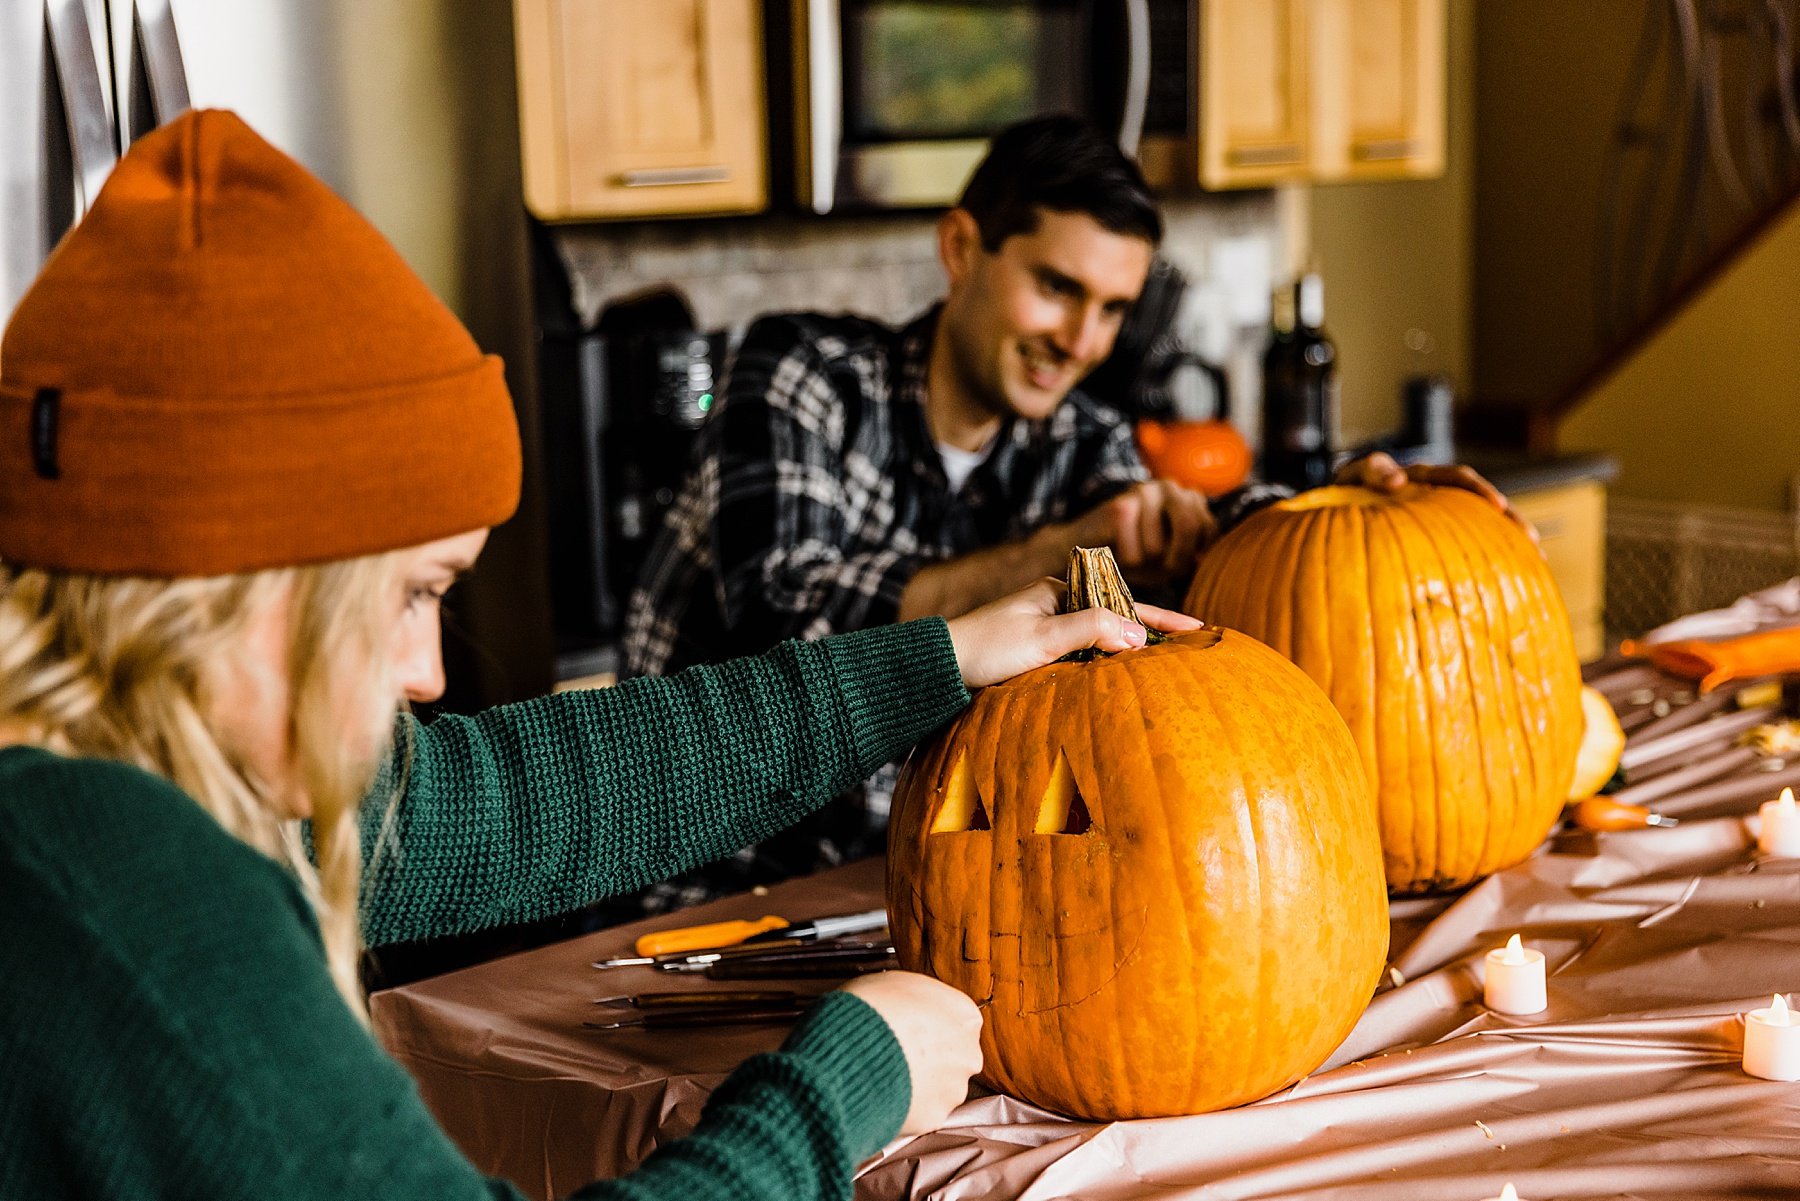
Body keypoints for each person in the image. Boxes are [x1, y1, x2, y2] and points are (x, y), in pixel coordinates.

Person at [0, 110, 1202, 1201]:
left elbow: (530, 794)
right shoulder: (125, 883)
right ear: (236, 579)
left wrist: (932, 661)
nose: (427, 668)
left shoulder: (132, 781)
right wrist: (840, 1087)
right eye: (409, 593)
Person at [615, 116, 1215, 906]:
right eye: (1058, 288)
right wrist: (1060, 553)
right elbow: (787, 622)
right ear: (962, 249)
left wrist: (1322, 512)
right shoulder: (805, 376)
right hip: (706, 894)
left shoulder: (1080, 439)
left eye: (1111, 309)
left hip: (907, 899)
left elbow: (1198, 526)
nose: (1080, 341)